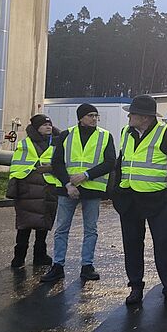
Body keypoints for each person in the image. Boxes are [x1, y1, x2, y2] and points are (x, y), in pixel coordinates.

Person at [113, 95, 167, 307]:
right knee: (132, 245)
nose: (129, 116)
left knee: (163, 246)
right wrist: (117, 192)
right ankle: (135, 287)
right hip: (129, 200)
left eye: (132, 113)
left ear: (144, 117)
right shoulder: (126, 132)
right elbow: (122, 162)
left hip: (158, 201)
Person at [41, 104, 115, 283]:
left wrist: (86, 175)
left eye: (96, 116)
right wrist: (67, 184)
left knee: (91, 229)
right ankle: (58, 266)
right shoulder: (66, 135)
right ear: (81, 117)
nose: (94, 119)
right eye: (90, 115)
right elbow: (57, 162)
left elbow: (110, 162)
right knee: (62, 229)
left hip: (92, 188)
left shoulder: (105, 136)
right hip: (68, 189)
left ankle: (87, 266)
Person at [8, 114, 60, 268]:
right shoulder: (26, 144)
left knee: (43, 227)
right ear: (37, 127)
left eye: (49, 124)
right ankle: (19, 257)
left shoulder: (56, 143)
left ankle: (40, 255)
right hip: (28, 189)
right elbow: (17, 166)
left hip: (48, 189)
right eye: (44, 125)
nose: (48, 127)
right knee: (24, 227)